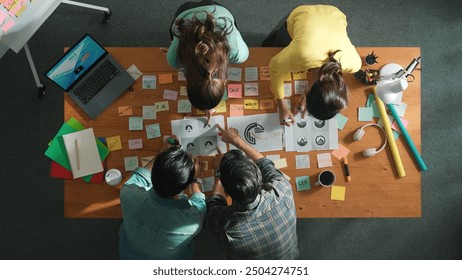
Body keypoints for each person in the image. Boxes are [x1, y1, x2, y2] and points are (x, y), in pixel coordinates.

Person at [205, 124, 299, 259]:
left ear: (227, 192)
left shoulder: (221, 225)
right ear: (258, 176)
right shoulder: (282, 190)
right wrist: (236, 140)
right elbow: (265, 164)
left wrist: (218, 174)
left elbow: (214, 204)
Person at [262, 5, 362, 126]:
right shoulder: (300, 56)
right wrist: (281, 104)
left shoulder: (353, 65)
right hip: (302, 13)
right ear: (307, 89)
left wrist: (312, 91)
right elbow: (274, 68)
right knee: (275, 42)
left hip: (335, 13)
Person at [119, 136, 206, 259]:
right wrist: (197, 179)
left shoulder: (128, 194)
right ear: (184, 187)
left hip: (129, 255)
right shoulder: (191, 221)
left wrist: (162, 154)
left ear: (153, 173)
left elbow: (140, 175)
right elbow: (200, 204)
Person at [167, 0, 249, 124]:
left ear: (225, 80)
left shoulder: (237, 54)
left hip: (219, 13)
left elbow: (235, 34)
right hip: (186, 16)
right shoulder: (174, 60)